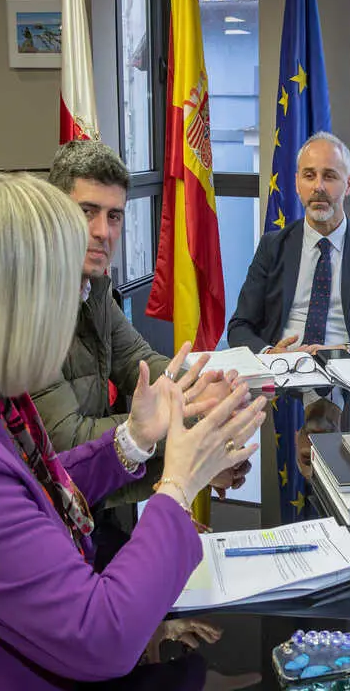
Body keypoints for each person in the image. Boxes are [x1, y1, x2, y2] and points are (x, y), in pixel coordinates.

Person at [0, 173, 267, 690]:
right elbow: (101, 637)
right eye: (70, 289)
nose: (77, 306)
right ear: (15, 306)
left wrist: (133, 438)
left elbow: (31, 489)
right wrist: (178, 487)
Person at [34, 141, 250, 506]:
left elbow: (140, 363)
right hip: (49, 519)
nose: (103, 231)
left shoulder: (94, 287)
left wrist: (206, 392)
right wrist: (194, 423)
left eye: (114, 216)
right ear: (54, 214)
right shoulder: (27, 308)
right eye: (87, 212)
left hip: (91, 512)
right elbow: (68, 444)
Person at [226, 132, 350, 356]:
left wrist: (344, 350)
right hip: (283, 375)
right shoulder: (272, 247)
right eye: (309, 175)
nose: (318, 186)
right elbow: (239, 327)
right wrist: (270, 354)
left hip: (346, 377)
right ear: (296, 183)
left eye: (330, 176)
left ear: (349, 184)